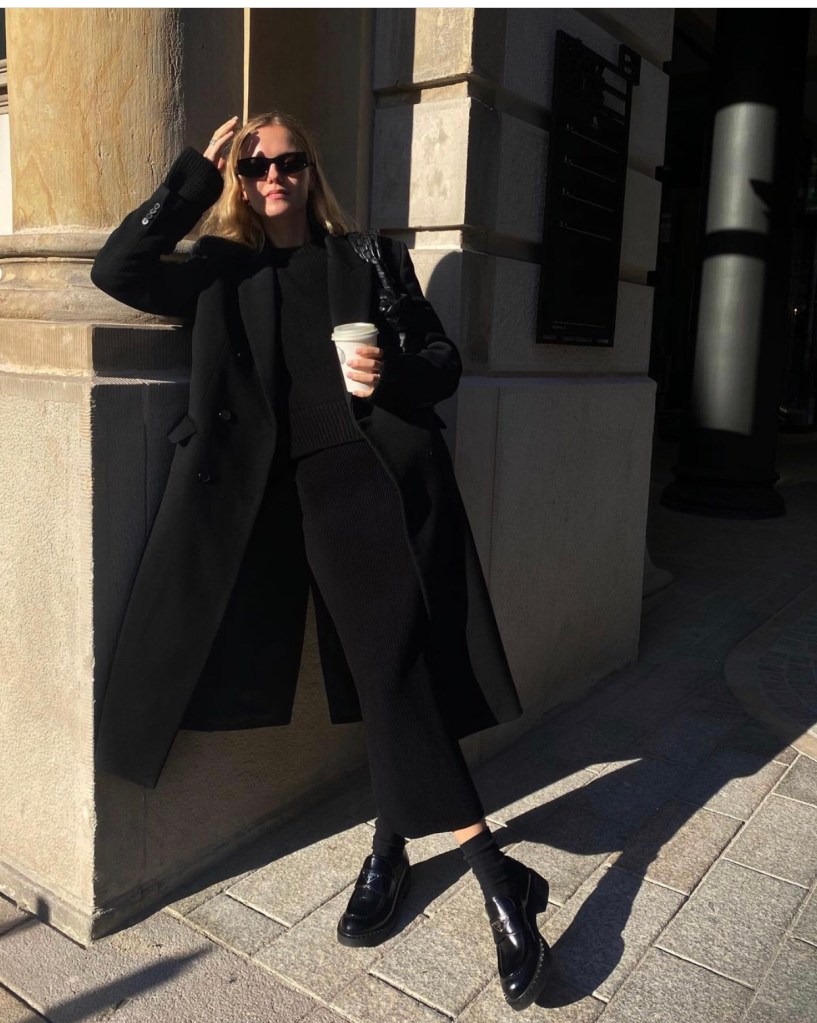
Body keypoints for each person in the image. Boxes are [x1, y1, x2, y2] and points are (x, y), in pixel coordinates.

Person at [91, 111, 551, 1010]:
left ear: (311, 171)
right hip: (277, 504)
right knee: (381, 670)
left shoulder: (368, 258)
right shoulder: (219, 268)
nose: (273, 176)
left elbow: (442, 360)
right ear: (238, 179)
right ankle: (415, 849)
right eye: (254, 165)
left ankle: (487, 872)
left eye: (288, 161)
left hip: (374, 486)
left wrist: (390, 374)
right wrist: (193, 177)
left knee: (389, 667)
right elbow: (118, 271)